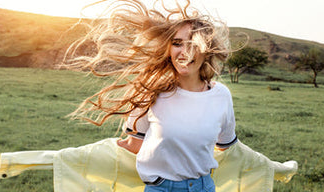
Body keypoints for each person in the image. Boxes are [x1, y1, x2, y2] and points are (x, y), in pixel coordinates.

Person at [65, 0, 234, 191]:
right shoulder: (151, 91)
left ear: (207, 51)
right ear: (168, 50)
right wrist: (73, 157)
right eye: (177, 44)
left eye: (193, 45)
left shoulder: (221, 96)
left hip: (204, 187)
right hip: (161, 188)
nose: (184, 52)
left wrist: (270, 167)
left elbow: (227, 148)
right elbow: (134, 144)